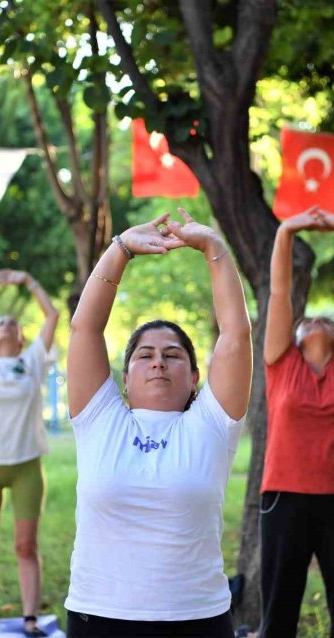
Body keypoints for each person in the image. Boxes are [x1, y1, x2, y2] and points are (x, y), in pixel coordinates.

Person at [65, 209, 251, 637]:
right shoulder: (99, 418)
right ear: (124, 378)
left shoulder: (212, 423)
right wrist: (121, 249)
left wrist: (215, 249)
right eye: (144, 355)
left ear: (194, 378)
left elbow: (235, 335)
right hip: (99, 616)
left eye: (173, 354)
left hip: (197, 619)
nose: (158, 362)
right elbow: (85, 330)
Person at [259, 207, 334, 638]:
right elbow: (279, 292)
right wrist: (287, 229)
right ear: (296, 336)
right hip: (285, 499)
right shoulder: (281, 363)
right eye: (308, 321)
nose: (318, 320)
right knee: (279, 616)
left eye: (327, 321)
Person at [0, 270, 59, 638]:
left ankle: (29, 618)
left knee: (26, 545)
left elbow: (53, 316)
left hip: (26, 465)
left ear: (21, 336)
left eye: (13, 322)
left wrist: (30, 281)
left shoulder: (34, 360)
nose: (6, 324)